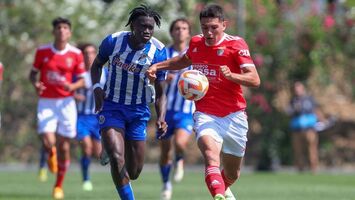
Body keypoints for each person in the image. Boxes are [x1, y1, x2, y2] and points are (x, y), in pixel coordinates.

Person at [147, 4, 260, 200]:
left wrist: (232, 75)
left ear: (224, 25)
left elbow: (254, 79)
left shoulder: (236, 45)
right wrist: (158, 66)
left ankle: (223, 188)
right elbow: (183, 61)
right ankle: (218, 196)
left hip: (235, 115)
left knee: (232, 174)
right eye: (204, 27)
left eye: (213, 27)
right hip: (205, 113)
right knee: (210, 156)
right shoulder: (197, 43)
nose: (208, 32)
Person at [90, 5, 168, 200]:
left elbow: (160, 93)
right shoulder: (113, 41)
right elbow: (96, 65)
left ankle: (111, 145)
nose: (147, 31)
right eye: (143, 26)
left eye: (151, 27)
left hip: (138, 112)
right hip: (112, 106)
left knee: (133, 172)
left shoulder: (158, 52)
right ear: (133, 25)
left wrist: (161, 118)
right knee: (117, 158)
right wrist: (97, 88)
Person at [29, 17, 85, 199]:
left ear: (69, 32)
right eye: (59, 27)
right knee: (47, 140)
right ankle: (50, 153)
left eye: (65, 28)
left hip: (67, 104)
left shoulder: (76, 53)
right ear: (53, 32)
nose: (62, 30)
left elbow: (83, 80)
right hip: (46, 102)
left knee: (64, 147)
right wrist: (36, 84)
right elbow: (33, 74)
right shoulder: (42, 51)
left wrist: (73, 87)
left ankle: (58, 186)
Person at [158, 18, 194, 200]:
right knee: (165, 151)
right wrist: (164, 79)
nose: (180, 31)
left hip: (186, 110)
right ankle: (166, 184)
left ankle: (180, 159)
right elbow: (154, 77)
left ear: (189, 32)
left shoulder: (195, 53)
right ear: (172, 32)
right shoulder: (164, 53)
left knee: (180, 143)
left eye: (184, 28)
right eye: (177, 28)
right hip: (165, 110)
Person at [75, 43, 107, 191]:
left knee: (99, 153)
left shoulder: (105, 73)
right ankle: (86, 179)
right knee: (86, 148)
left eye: (92, 52)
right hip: (82, 118)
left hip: (98, 118)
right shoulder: (77, 74)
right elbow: (66, 90)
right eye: (86, 53)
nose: (89, 56)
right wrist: (75, 95)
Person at [287, 81, 320, 173]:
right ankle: (300, 169)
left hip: (309, 129)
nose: (297, 90)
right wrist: (294, 109)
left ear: (303, 89)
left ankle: (314, 168)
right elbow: (288, 112)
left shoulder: (309, 99)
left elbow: (316, 110)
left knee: (312, 149)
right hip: (297, 130)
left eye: (299, 88)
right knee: (298, 151)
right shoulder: (293, 100)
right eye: (296, 89)